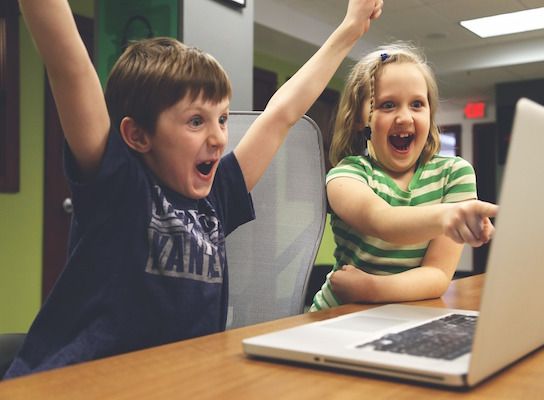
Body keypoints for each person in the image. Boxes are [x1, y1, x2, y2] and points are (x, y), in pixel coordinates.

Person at [5, 0, 383, 378]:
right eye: (196, 121)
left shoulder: (217, 196)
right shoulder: (118, 184)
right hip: (75, 382)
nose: (219, 138)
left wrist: (349, 28)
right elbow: (69, 68)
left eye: (221, 118)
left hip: (175, 380)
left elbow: (281, 115)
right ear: (137, 135)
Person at [310, 42, 498, 311]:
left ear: (430, 113)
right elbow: (383, 221)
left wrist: (370, 289)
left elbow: (438, 275)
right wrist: (449, 216)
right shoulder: (346, 176)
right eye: (388, 105)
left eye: (417, 104)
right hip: (338, 314)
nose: (404, 117)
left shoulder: (454, 174)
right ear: (360, 118)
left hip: (403, 315)